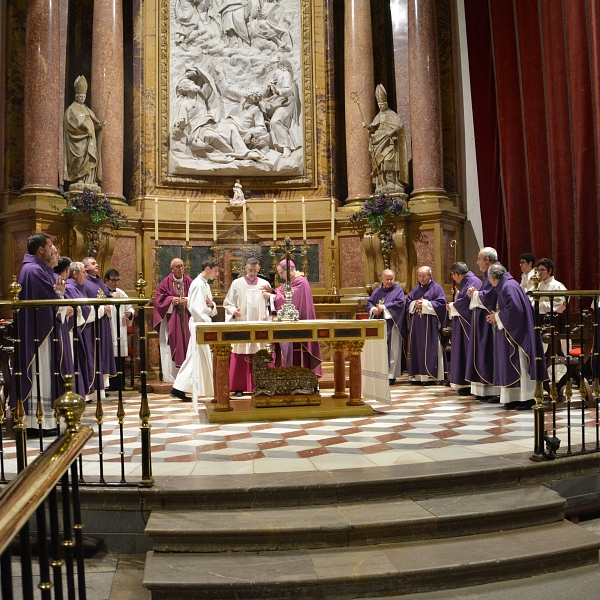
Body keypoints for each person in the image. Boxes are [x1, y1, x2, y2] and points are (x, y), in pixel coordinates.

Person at [10, 234, 66, 433]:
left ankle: (46, 420)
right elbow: (50, 300)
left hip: (43, 331)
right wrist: (60, 296)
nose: (53, 250)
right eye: (50, 246)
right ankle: (38, 422)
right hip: (40, 334)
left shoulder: (38, 269)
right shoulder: (33, 271)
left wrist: (60, 295)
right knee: (41, 372)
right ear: (40, 249)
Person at [486, 265, 544, 410]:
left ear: (493, 277)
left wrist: (497, 316)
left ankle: (527, 397)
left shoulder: (508, 286)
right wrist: (497, 317)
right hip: (510, 332)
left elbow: (515, 311)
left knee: (521, 364)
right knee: (512, 364)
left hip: (518, 334)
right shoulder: (506, 285)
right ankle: (514, 397)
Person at [170, 257, 219, 408]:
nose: (217, 274)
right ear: (208, 269)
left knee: (195, 357)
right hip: (200, 325)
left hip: (202, 324)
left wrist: (211, 306)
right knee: (195, 356)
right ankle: (179, 387)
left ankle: (179, 387)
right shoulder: (198, 285)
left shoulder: (204, 284)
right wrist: (207, 323)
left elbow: (208, 307)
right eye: (216, 271)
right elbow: (196, 309)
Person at [262, 260, 322, 375]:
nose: (280, 276)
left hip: (300, 323)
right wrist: (272, 291)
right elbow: (282, 291)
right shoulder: (293, 281)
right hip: (292, 323)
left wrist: (271, 297)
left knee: (298, 351)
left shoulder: (300, 281)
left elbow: (289, 300)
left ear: (289, 269)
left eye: (281, 273)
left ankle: (301, 376)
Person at [223, 257, 270, 395]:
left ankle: (261, 384)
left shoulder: (264, 284)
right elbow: (228, 303)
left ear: (259, 269)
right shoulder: (237, 284)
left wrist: (268, 314)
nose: (252, 273)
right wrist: (233, 311)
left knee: (259, 352)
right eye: (250, 270)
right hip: (242, 323)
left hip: (260, 324)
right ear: (245, 268)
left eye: (255, 270)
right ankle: (239, 386)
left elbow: (270, 304)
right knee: (241, 352)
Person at [465, 247, 501, 402]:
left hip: (491, 320)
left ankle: (493, 389)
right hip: (484, 319)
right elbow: (485, 293)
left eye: (479, 259)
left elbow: (491, 296)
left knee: (489, 352)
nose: (477, 262)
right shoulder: (488, 274)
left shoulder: (495, 271)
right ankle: (484, 389)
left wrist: (475, 294)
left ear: (487, 260)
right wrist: (476, 293)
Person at [363, 84, 409, 195]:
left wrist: (392, 131)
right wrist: (368, 126)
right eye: (379, 104)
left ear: (386, 103)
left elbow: (400, 125)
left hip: (390, 142)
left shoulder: (392, 114)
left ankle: (391, 182)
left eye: (382, 104)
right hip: (380, 141)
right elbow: (373, 126)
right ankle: (382, 184)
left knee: (389, 162)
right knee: (381, 164)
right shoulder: (378, 116)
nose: (381, 106)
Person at [153, 258, 193, 384]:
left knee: (188, 343)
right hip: (171, 319)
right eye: (177, 267)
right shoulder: (165, 283)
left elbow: (197, 297)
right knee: (170, 344)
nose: (180, 269)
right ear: (172, 269)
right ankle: (171, 376)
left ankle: (187, 376)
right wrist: (171, 300)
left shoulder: (190, 282)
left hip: (186, 318)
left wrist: (188, 300)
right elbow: (158, 301)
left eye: (182, 266)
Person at [406, 266, 447, 384]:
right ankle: (417, 375)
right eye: (420, 276)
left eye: (424, 276)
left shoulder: (436, 288)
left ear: (430, 275)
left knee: (430, 348)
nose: (422, 279)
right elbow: (408, 301)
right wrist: (415, 303)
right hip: (417, 326)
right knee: (417, 348)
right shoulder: (416, 289)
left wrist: (425, 304)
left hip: (430, 326)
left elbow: (441, 304)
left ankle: (430, 375)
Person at [63, 75, 105, 187]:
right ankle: (79, 178)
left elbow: (93, 123)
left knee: (90, 158)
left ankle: (89, 180)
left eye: (84, 97)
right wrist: (85, 127)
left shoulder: (88, 110)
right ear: (76, 97)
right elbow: (72, 123)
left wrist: (99, 126)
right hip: (80, 141)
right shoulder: (72, 109)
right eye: (80, 97)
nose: (82, 99)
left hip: (90, 140)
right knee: (80, 158)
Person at [82, 257, 116, 393]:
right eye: (93, 263)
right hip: (92, 323)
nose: (96, 265)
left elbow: (106, 296)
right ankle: (92, 389)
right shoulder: (84, 282)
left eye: (97, 263)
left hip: (103, 322)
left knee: (103, 353)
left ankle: (101, 388)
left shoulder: (100, 282)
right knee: (94, 353)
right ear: (85, 267)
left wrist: (111, 300)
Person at [447, 262, 481, 395]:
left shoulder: (473, 281)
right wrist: (456, 296)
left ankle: (468, 382)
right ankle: (463, 382)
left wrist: (453, 306)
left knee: (466, 351)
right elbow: (464, 297)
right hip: (461, 323)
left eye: (452, 275)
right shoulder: (469, 281)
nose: (453, 278)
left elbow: (467, 302)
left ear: (456, 274)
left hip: (467, 324)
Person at [365, 269, 405, 385]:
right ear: (382, 279)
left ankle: (391, 375)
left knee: (392, 349)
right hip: (378, 325)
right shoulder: (377, 291)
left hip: (392, 324)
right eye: (387, 279)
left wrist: (385, 308)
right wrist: (374, 309)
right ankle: (379, 373)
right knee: (378, 348)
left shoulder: (398, 291)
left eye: (391, 279)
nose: (389, 281)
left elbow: (400, 303)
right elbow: (370, 303)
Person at [65, 261, 95, 400]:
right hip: (73, 331)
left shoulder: (79, 287)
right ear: (75, 274)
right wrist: (99, 309)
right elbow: (81, 308)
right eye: (84, 272)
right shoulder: (71, 287)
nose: (86, 275)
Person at [262, 55, 301, 158]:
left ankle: (286, 147)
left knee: (275, 121)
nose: (271, 66)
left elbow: (289, 90)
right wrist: (268, 86)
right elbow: (264, 94)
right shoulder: (271, 76)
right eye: (270, 64)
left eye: (272, 64)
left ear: (279, 64)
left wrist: (278, 90)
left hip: (286, 102)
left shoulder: (285, 74)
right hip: (274, 103)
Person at [104, 269, 135, 390]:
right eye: (113, 280)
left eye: (117, 280)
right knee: (110, 356)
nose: (116, 283)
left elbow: (130, 307)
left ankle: (120, 384)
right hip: (109, 328)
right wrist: (111, 297)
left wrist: (130, 313)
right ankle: (110, 385)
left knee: (120, 357)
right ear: (106, 280)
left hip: (120, 328)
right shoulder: (103, 292)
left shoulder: (121, 293)